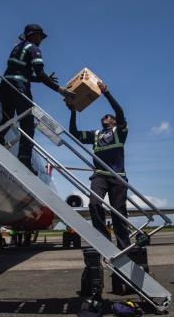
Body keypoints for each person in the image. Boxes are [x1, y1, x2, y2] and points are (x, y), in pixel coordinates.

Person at [0, 24, 75, 173]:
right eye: (40, 36)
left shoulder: (18, 47)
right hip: (19, 88)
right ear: (33, 35)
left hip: (5, 85)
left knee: (7, 117)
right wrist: (59, 89)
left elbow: (22, 72)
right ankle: (24, 159)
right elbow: (39, 73)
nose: (41, 39)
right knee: (27, 125)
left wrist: (42, 79)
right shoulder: (34, 48)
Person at [68, 81, 130, 250]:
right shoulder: (96, 134)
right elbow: (73, 133)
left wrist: (106, 93)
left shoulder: (120, 131)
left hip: (118, 177)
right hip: (100, 174)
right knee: (94, 204)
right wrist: (73, 112)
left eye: (109, 116)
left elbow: (120, 111)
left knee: (118, 213)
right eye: (104, 116)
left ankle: (124, 248)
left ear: (115, 122)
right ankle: (104, 240)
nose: (105, 116)